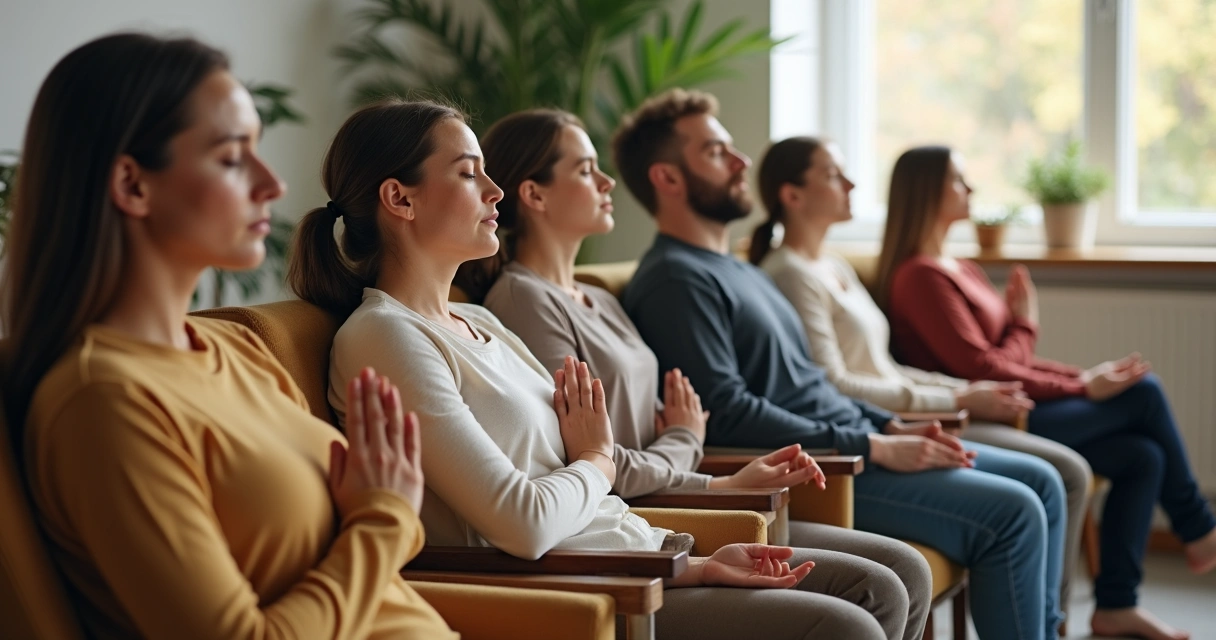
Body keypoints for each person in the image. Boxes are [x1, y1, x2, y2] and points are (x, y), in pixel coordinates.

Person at [285, 98, 889, 639]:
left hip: (642, 559)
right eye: (470, 174)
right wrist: (599, 460)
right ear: (400, 198)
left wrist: (692, 560)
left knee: (880, 586)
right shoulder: (385, 337)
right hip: (584, 592)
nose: (496, 191)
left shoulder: (482, 323)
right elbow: (525, 522)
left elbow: (576, 485)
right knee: (848, 622)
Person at [0, 33, 452, 639]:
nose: (272, 183)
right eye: (232, 157)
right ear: (133, 184)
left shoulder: (236, 349)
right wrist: (386, 518)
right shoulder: (103, 400)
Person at [460, 109, 934, 640]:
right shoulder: (524, 300)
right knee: (869, 599)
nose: (608, 181)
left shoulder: (597, 297)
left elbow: (627, 442)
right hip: (632, 515)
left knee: (901, 576)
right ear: (535, 194)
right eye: (586, 169)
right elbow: (587, 458)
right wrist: (690, 448)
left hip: (665, 499)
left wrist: (710, 471)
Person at [616, 89, 1067, 640]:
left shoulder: (742, 271)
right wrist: (873, 445)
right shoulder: (675, 280)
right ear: (668, 178)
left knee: (1042, 479)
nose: (741, 163)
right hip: (827, 470)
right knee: (1015, 510)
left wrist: (886, 424)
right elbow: (728, 413)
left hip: (854, 442)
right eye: (716, 152)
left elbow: (812, 383)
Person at [877, 145, 1216, 640]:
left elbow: (1011, 357)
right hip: (983, 418)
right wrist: (1051, 352)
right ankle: (1200, 528)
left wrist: (1080, 373)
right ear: (926, 191)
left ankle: (1116, 607)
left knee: (1142, 456)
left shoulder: (960, 266)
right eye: (958, 180)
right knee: (1144, 393)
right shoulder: (918, 276)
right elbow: (982, 368)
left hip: (1014, 405)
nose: (969, 190)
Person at [751, 136, 1093, 621]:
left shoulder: (833, 264)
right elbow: (837, 384)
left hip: (895, 413)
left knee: (1046, 479)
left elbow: (885, 368)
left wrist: (960, 392)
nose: (850, 183)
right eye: (833, 175)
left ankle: (1045, 628)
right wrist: (958, 401)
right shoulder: (788, 274)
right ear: (792, 195)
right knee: (1028, 495)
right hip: (871, 430)